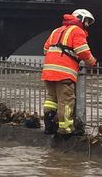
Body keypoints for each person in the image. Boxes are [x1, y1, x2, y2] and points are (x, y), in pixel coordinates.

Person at [40, 8, 98, 136]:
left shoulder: (57, 30)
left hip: (49, 71)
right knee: (66, 101)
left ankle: (49, 126)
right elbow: (82, 51)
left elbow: (45, 49)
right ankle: (65, 129)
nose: (87, 25)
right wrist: (92, 62)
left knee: (51, 99)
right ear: (80, 18)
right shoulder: (77, 31)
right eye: (86, 21)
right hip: (64, 73)